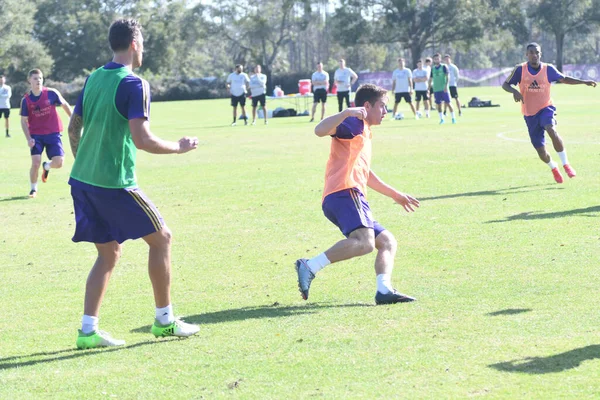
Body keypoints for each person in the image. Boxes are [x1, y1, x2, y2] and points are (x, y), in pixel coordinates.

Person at [67, 18, 200, 349]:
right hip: (114, 183)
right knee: (162, 238)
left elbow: (73, 128)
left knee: (109, 253)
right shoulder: (135, 84)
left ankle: (87, 332)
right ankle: (165, 321)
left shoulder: (94, 78)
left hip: (83, 180)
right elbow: (142, 140)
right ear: (135, 44)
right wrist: (179, 148)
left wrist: (84, 161)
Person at [295, 83, 420, 305]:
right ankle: (310, 266)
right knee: (365, 243)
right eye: (382, 106)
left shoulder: (365, 131)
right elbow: (319, 130)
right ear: (366, 106)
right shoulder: (353, 123)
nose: (385, 112)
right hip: (344, 191)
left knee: (387, 242)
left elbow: (367, 174)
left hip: (350, 194)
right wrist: (345, 112)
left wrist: (396, 195)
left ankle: (384, 290)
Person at [502, 42, 596, 183]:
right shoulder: (520, 70)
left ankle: (566, 164)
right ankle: (553, 167)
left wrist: (583, 82)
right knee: (541, 151)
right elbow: (505, 84)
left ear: (540, 54)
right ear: (526, 54)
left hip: (546, 108)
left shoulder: (548, 69)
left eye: (537, 52)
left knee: (551, 129)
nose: (534, 55)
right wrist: (514, 91)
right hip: (529, 114)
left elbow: (564, 79)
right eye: (531, 52)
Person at [20, 69, 72, 198]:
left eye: (40, 78)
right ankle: (33, 189)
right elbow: (23, 121)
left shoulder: (51, 93)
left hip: (53, 133)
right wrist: (28, 138)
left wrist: (73, 119)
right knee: (35, 162)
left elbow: (64, 104)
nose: (38, 81)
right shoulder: (26, 100)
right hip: (36, 136)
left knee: (59, 163)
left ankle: (47, 166)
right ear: (29, 80)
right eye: (35, 78)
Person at [428, 53, 455, 124]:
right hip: (436, 89)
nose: (437, 60)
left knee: (448, 103)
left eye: (438, 58)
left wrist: (446, 86)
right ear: (433, 60)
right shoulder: (433, 68)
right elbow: (430, 79)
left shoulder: (444, 66)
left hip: (443, 88)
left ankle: (453, 118)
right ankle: (442, 119)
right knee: (438, 105)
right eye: (435, 59)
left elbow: (447, 76)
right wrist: (428, 88)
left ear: (440, 59)